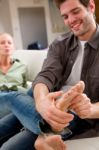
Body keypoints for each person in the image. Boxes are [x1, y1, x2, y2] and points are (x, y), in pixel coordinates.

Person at [1, 0, 99, 149]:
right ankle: (47, 131)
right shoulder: (60, 43)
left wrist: (90, 109)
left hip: (76, 113)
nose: (71, 20)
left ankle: (46, 130)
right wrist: (41, 102)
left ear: (91, 7)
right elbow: (46, 75)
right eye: (65, 16)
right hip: (47, 98)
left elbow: (90, 109)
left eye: (76, 11)